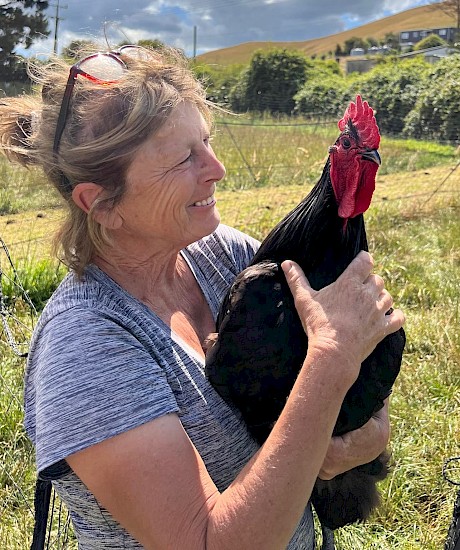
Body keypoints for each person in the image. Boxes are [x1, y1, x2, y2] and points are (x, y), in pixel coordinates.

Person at [0, 44, 405, 550]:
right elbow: (209, 542)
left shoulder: (224, 254)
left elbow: (364, 366)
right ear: (101, 203)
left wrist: (363, 437)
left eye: (207, 141)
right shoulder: (85, 349)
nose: (216, 168)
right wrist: (331, 359)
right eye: (182, 158)